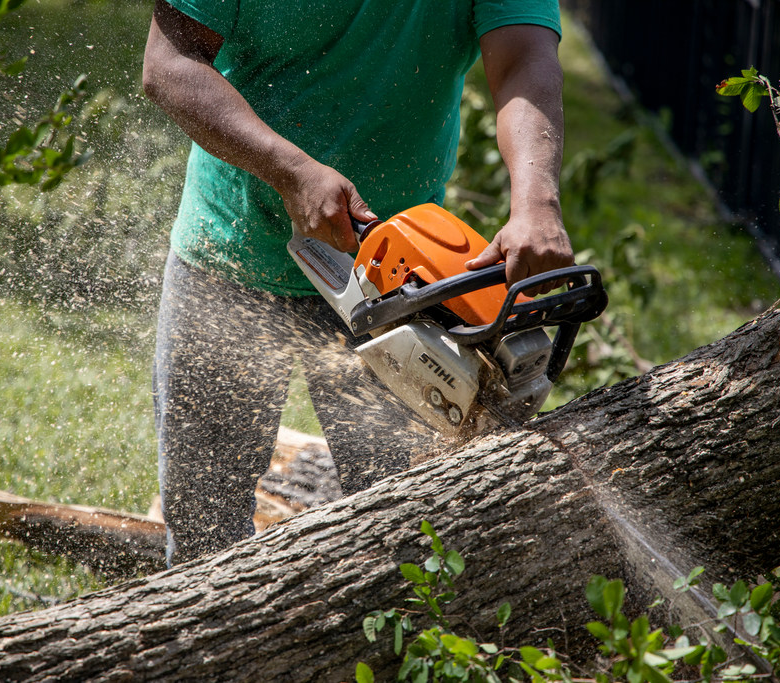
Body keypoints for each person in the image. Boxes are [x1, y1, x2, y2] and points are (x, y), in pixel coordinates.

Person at [142, 0, 575, 565]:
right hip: (230, 256)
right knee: (204, 528)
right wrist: (289, 170)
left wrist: (536, 203)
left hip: (404, 287)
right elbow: (169, 64)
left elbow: (523, 58)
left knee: (404, 526)